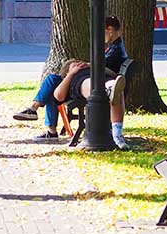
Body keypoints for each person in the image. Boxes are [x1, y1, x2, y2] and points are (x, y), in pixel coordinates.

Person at [13, 16, 129, 150]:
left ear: (110, 30)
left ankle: (38, 115)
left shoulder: (115, 49)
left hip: (86, 82)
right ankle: (35, 111)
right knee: (51, 81)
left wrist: (78, 69)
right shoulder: (114, 47)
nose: (101, 35)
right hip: (87, 79)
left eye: (102, 31)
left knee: (51, 83)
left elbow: (105, 68)